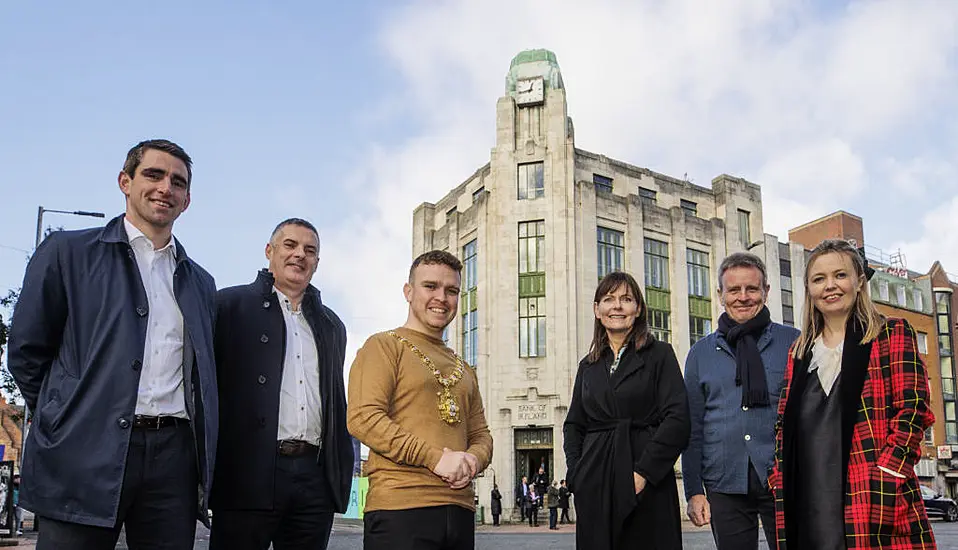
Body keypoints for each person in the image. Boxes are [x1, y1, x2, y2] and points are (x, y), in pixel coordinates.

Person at [7, 139, 218, 549]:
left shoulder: (200, 284)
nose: (165, 188)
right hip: (83, 451)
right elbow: (26, 353)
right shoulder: (68, 253)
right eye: (153, 175)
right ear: (125, 181)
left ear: (187, 200)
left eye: (177, 182)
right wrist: (66, 415)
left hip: (173, 459)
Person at [769, 239, 936, 549]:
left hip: (871, 500)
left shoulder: (892, 334)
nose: (830, 286)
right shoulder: (800, 352)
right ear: (809, 289)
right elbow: (782, 425)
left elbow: (913, 412)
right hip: (808, 500)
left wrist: (887, 474)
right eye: (819, 279)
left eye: (840, 275)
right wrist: (777, 476)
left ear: (859, 281)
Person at [208, 219, 353, 550]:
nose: (300, 254)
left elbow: (335, 400)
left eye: (310, 250)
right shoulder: (228, 306)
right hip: (248, 472)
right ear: (269, 252)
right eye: (290, 245)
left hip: (314, 478)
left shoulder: (332, 325)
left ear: (317, 262)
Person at [347, 250, 494, 550]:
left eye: (451, 290)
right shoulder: (384, 346)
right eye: (431, 286)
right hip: (400, 508)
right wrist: (436, 459)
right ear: (408, 291)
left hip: (461, 511)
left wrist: (473, 460)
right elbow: (364, 418)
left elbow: (481, 435)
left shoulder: (464, 369)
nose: (441, 297)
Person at [564, 271, 691, 550]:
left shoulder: (660, 355)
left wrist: (643, 473)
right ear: (597, 310)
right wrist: (577, 475)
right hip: (595, 482)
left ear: (638, 308)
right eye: (608, 299)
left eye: (626, 299)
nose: (617, 306)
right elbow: (574, 424)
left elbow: (678, 419)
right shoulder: (588, 365)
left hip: (646, 478)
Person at [682, 252, 799, 549]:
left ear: (766, 292)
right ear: (721, 295)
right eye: (734, 290)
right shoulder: (700, 354)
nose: (743, 297)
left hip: (784, 476)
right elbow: (692, 426)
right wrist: (694, 490)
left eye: (752, 289)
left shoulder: (794, 342)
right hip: (723, 480)